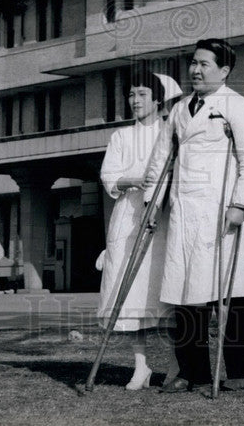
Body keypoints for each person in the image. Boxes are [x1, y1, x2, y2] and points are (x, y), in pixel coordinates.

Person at [143, 38, 244, 394]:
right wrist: (152, 201)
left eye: (204, 64)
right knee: (186, 293)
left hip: (222, 211)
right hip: (184, 212)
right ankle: (193, 373)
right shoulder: (178, 110)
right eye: (193, 62)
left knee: (232, 294)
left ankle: (240, 373)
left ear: (223, 70)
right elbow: (161, 160)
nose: (195, 69)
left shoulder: (237, 106)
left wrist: (240, 205)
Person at [97, 71, 183, 390]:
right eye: (131, 95)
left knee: (165, 292)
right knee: (130, 293)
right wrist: (135, 180)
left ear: (157, 99)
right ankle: (141, 366)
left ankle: (176, 366)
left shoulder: (171, 132)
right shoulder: (121, 137)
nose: (135, 101)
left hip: (162, 218)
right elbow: (109, 177)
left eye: (142, 94)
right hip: (128, 217)